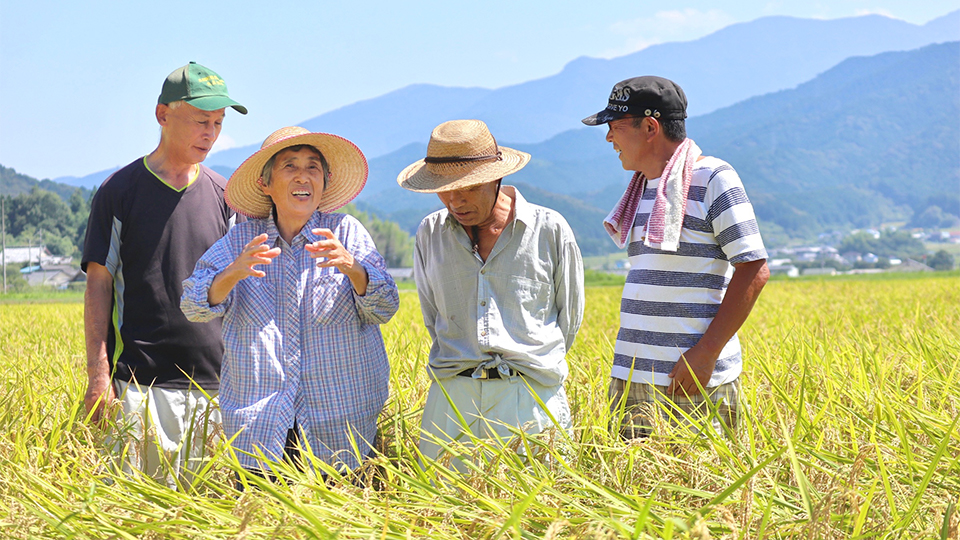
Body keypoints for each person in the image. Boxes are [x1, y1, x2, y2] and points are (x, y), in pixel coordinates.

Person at [181, 126, 399, 479]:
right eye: (290, 167)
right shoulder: (242, 239)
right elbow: (193, 304)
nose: (303, 176)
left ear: (325, 182)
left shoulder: (345, 233)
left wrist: (352, 267)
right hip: (261, 427)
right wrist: (234, 272)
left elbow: (386, 306)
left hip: (341, 425)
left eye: (313, 167)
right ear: (265, 184)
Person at [82, 61, 246, 487]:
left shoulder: (225, 196)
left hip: (216, 387)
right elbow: (99, 283)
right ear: (162, 115)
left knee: (212, 517)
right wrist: (99, 377)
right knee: (132, 514)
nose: (210, 133)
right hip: (139, 387)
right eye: (199, 121)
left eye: (217, 122)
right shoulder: (118, 192)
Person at [582, 76, 769, 439]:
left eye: (616, 127)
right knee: (627, 491)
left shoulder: (712, 177)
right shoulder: (643, 185)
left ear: (650, 127)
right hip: (632, 377)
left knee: (704, 489)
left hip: (690, 378)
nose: (609, 138)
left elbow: (753, 268)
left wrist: (705, 355)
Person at [397, 119, 584, 470]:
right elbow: (432, 314)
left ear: (496, 178)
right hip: (454, 400)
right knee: (442, 516)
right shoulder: (430, 234)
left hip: (530, 398)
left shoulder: (548, 229)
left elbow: (569, 318)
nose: (455, 199)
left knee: (541, 512)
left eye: (467, 187)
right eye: (444, 188)